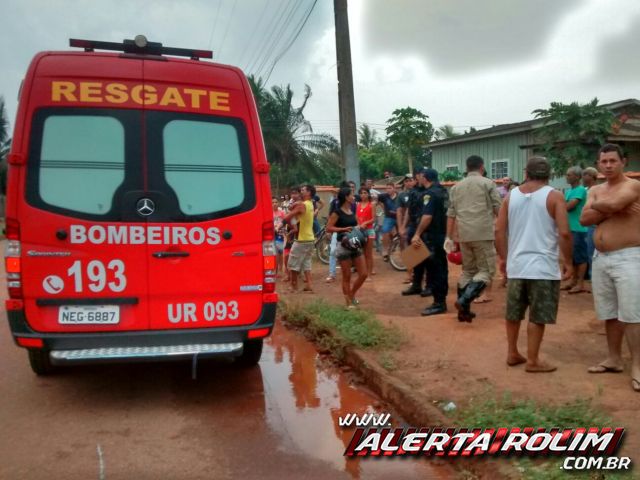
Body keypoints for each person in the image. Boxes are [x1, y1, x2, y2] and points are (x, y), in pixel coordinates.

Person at [495, 156, 573, 373]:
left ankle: (512, 352)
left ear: (526, 172)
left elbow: (499, 230)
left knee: (514, 311)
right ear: (548, 174)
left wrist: (503, 258)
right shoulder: (554, 196)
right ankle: (533, 360)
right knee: (538, 315)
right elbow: (564, 233)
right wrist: (568, 261)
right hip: (543, 267)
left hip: (517, 264)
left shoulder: (511, 196)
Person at [580, 143, 640, 392]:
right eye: (603, 161)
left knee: (633, 313)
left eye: (612, 161)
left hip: (629, 256)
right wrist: (609, 206)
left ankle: (637, 365)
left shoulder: (633, 185)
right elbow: (584, 219)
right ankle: (614, 358)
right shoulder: (595, 188)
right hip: (601, 258)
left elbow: (614, 205)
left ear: (623, 161)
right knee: (609, 312)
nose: (608, 165)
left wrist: (602, 205)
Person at [445, 155, 502, 322]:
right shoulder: (487, 183)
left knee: (468, 271)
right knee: (487, 271)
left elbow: (451, 214)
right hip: (482, 233)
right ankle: (464, 301)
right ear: (482, 167)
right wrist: (506, 229)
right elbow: (498, 208)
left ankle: (463, 313)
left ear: (467, 167)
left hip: (464, 235)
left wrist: (449, 237)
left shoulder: (456, 187)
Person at [411, 168, 449, 315]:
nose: (418, 178)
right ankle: (438, 299)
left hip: (432, 237)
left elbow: (427, 217)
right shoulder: (443, 192)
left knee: (435, 270)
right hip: (442, 235)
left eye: (420, 176)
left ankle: (439, 303)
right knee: (441, 268)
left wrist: (417, 234)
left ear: (425, 178)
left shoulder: (430, 194)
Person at [326, 186, 368, 307]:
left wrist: (360, 227)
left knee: (364, 274)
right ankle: (348, 303)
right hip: (343, 246)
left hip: (354, 244)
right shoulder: (337, 212)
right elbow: (328, 228)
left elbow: (356, 225)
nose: (354, 197)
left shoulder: (352, 211)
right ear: (346, 197)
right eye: (351, 195)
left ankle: (351, 294)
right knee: (347, 276)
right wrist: (343, 229)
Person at [283, 184, 316, 293]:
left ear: (309, 192)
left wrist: (281, 223)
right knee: (306, 263)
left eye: (303, 190)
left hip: (302, 239)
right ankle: (310, 285)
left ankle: (294, 286)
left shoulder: (302, 205)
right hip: (310, 238)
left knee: (292, 262)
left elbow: (290, 215)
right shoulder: (310, 203)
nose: (301, 192)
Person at [402, 169, 430, 296]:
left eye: (420, 175)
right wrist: (403, 226)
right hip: (413, 226)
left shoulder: (429, 190)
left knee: (428, 258)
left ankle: (429, 285)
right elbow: (408, 210)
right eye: (417, 175)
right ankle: (416, 284)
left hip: (427, 227)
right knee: (415, 257)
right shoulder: (413, 192)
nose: (419, 177)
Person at [562, 166, 589, 294]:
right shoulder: (568, 191)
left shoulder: (580, 190)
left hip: (579, 228)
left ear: (577, 177)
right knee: (572, 256)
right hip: (570, 227)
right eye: (567, 174)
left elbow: (569, 206)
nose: (567, 177)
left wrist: (560, 207)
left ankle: (580, 283)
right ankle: (573, 281)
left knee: (580, 257)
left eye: (569, 175)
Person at [582, 167, 599, 282]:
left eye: (585, 175)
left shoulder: (598, 190)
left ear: (591, 176)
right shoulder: (584, 189)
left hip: (593, 225)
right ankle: (588, 275)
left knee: (593, 251)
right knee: (587, 251)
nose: (583, 177)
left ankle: (593, 276)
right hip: (583, 224)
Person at [377, 181, 400, 261]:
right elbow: (376, 199)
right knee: (385, 230)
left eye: (390, 188)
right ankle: (385, 251)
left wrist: (397, 212)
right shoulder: (384, 196)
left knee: (402, 234)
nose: (388, 190)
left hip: (399, 218)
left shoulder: (399, 196)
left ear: (394, 188)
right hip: (389, 217)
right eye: (387, 188)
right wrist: (382, 207)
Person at [356, 187, 376, 277]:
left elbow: (374, 219)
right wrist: (358, 225)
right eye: (361, 193)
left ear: (368, 194)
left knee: (369, 253)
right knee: (362, 253)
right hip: (360, 230)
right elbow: (356, 217)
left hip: (369, 230)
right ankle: (364, 272)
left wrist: (365, 223)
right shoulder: (358, 205)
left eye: (365, 193)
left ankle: (369, 273)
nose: (363, 195)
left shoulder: (372, 204)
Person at [272, 197, 286, 276]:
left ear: (278, 203)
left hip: (280, 234)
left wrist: (279, 227)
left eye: (276, 202)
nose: (274, 204)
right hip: (271, 234)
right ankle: (275, 270)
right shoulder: (268, 212)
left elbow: (285, 221)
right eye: (273, 202)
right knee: (274, 253)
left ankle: (280, 269)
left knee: (280, 252)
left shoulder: (282, 212)